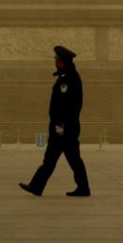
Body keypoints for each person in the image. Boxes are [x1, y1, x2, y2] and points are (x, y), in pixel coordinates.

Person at [19, 45, 90, 197]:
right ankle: (38, 186)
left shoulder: (68, 78)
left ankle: (37, 186)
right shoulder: (66, 76)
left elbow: (68, 106)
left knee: (57, 158)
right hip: (64, 127)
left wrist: (60, 126)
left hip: (63, 128)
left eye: (57, 59)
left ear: (62, 61)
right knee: (65, 158)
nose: (55, 62)